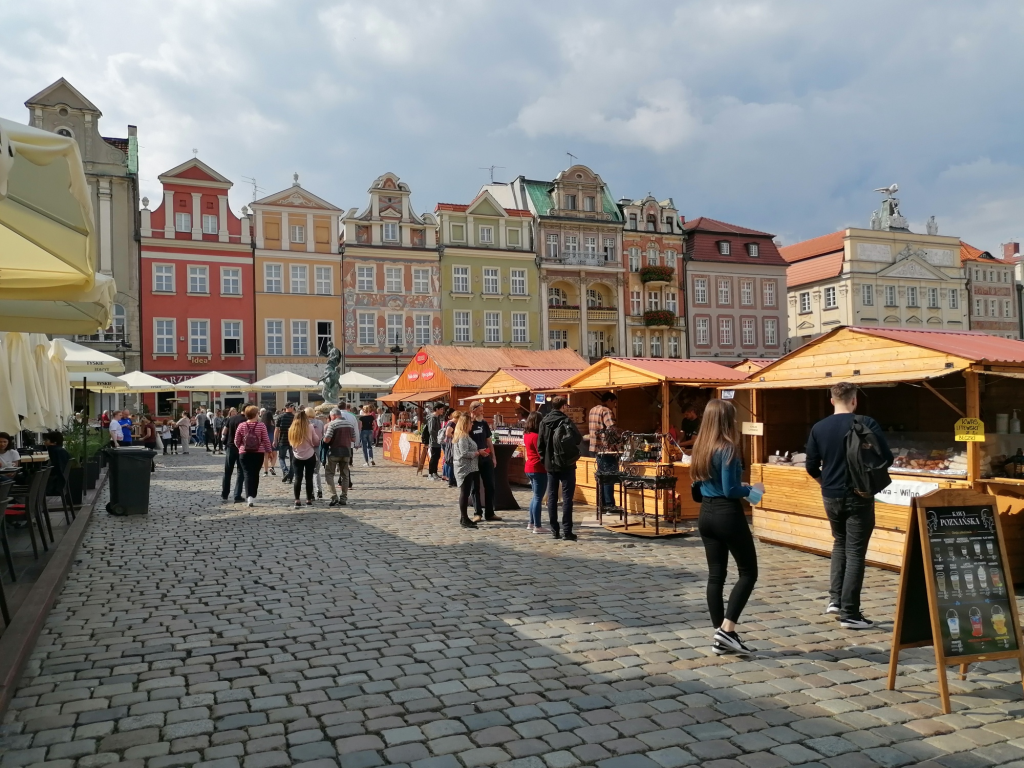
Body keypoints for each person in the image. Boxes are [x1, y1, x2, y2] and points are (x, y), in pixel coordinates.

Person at [805, 381, 893, 630]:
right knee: (855, 552)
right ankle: (850, 613)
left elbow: (811, 466)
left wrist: (825, 483)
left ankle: (835, 600)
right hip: (859, 494)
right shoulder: (867, 423)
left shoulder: (819, 427)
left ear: (832, 400)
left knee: (839, 544)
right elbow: (886, 457)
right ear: (854, 400)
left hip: (830, 495)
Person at [692, 398, 762, 656]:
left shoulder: (701, 447)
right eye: (732, 418)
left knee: (716, 575)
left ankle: (720, 635)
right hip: (726, 514)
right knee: (748, 572)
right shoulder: (727, 448)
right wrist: (750, 489)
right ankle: (727, 629)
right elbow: (731, 489)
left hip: (705, 514)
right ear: (726, 421)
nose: (735, 422)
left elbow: (698, 487)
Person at [538, 396, 582, 540]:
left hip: (551, 464)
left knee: (552, 497)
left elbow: (540, 445)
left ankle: (554, 530)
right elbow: (577, 439)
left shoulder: (544, 421)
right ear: (563, 406)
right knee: (567, 498)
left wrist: (545, 460)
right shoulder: (566, 421)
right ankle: (567, 531)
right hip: (567, 463)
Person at [466, 401, 501, 522]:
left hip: (486, 458)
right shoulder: (468, 424)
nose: (482, 412)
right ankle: (477, 513)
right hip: (474, 458)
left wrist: (494, 457)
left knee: (490, 485)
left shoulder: (484, 423)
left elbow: (489, 440)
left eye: (482, 410)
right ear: (473, 411)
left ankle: (490, 512)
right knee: (475, 487)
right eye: (480, 410)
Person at [235, 405, 272, 507]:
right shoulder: (261, 426)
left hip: (244, 453)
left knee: (247, 474)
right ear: (256, 414)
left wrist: (240, 448)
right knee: (255, 474)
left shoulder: (241, 425)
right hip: (258, 453)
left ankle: (249, 497)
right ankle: (253, 495)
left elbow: (236, 440)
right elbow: (266, 440)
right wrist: (269, 452)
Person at [451, 413, 483, 529]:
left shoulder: (465, 436)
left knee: (466, 492)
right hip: (465, 468)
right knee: (464, 493)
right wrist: (477, 453)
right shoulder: (463, 437)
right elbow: (464, 453)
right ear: (465, 424)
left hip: (469, 467)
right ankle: (464, 518)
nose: (472, 424)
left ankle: (464, 518)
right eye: (470, 422)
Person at [588, 392, 619, 510]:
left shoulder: (592, 410)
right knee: (609, 477)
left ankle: (601, 503)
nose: (614, 405)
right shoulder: (606, 411)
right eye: (614, 402)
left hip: (595, 448)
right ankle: (609, 505)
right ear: (609, 400)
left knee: (601, 476)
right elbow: (612, 429)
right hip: (607, 449)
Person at [288, 408, 321, 508]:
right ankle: (308, 500)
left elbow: (290, 442)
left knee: (298, 478)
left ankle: (297, 500)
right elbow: (316, 440)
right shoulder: (310, 426)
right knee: (309, 478)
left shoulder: (292, 428)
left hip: (297, 455)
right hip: (309, 455)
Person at [323, 407, 355, 507]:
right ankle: (344, 497)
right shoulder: (350, 424)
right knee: (345, 475)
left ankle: (334, 496)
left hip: (334, 451)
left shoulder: (333, 424)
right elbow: (353, 439)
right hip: (346, 452)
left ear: (334, 415)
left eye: (331, 416)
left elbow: (327, 439)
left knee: (329, 474)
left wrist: (324, 439)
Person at [523, 411, 546, 534]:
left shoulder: (527, 435)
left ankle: (531, 523)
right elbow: (540, 453)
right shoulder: (537, 436)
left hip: (529, 467)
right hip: (538, 468)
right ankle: (537, 525)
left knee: (535, 496)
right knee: (538, 497)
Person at [222, 406, 248, 503]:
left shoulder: (231, 419)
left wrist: (224, 442)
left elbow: (224, 432)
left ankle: (225, 494)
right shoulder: (246, 420)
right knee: (240, 472)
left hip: (230, 447)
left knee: (227, 471)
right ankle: (237, 495)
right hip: (241, 448)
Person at [306, 407, 324, 499]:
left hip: (307, 449)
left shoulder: (305, 424)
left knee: (308, 472)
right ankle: (319, 490)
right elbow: (323, 435)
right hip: (318, 448)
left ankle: (311, 492)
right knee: (316, 471)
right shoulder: (320, 423)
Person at [275, 403, 296, 482]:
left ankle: (285, 471)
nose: (293, 408)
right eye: (293, 406)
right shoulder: (294, 417)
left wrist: (275, 440)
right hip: (292, 440)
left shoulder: (280, 417)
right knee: (292, 459)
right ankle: (290, 477)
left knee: (281, 458)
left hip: (282, 440)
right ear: (290, 407)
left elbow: (276, 429)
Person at [426, 403, 446, 480]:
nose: (442, 411)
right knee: (434, 457)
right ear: (437, 409)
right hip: (434, 441)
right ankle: (430, 473)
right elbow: (431, 430)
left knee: (437, 456)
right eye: (441, 409)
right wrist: (437, 437)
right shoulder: (432, 417)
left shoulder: (437, 417)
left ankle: (435, 472)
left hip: (437, 441)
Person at [260, 408, 276, 475]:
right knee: (274, 455)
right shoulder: (273, 423)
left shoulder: (262, 423)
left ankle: (265, 471)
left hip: (265, 439)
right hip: (272, 438)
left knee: (265, 456)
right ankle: (272, 467)